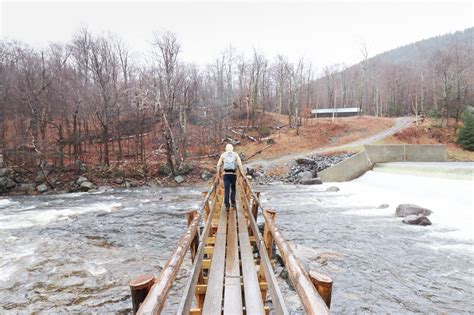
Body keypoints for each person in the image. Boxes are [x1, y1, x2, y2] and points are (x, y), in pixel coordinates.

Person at [216, 144, 244, 210]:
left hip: (226, 174)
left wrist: (218, 173)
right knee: (233, 189)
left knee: (226, 189)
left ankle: (227, 205)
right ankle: (233, 204)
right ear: (232, 148)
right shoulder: (235, 154)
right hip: (233, 174)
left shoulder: (223, 155)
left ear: (226, 148)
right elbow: (240, 164)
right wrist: (242, 173)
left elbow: (218, 165)